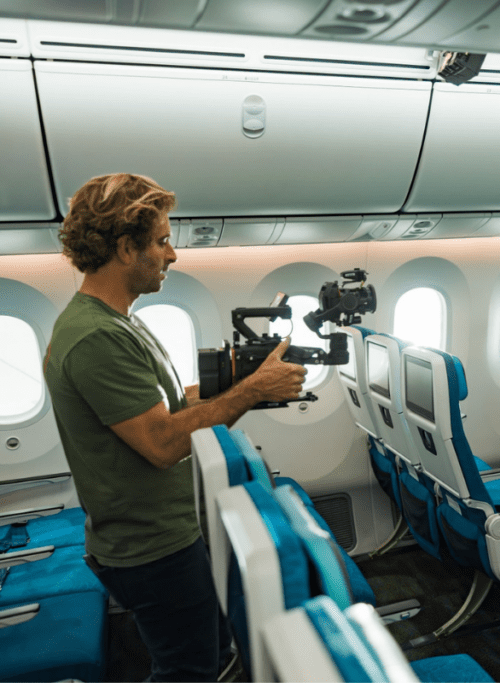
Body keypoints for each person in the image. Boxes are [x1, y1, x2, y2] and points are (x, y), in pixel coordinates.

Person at [43, 173, 307, 682]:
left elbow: (163, 408)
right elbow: (162, 443)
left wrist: (243, 377)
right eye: (162, 241)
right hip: (150, 548)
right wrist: (252, 391)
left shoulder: (119, 320)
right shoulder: (95, 336)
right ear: (126, 248)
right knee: (187, 670)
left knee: (205, 653)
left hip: (162, 535)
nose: (173, 254)